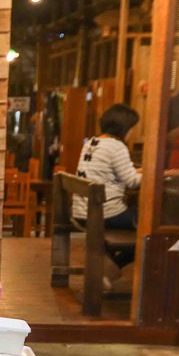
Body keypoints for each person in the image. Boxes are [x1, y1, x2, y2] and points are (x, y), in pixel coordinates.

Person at [72, 103, 141, 269]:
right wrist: (157, 175)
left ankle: (106, 262)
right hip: (106, 214)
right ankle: (112, 265)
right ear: (124, 127)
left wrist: (141, 171)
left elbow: (113, 172)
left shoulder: (92, 143)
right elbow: (132, 181)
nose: (132, 133)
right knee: (151, 228)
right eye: (132, 128)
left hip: (83, 212)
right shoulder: (117, 146)